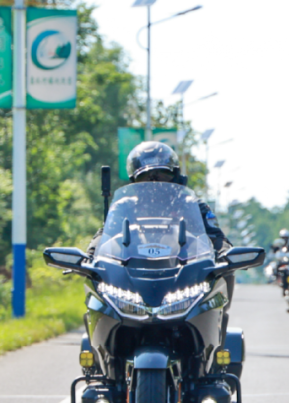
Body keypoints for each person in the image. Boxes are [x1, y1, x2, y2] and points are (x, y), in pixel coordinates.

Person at [85, 140, 236, 337]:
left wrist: (226, 253)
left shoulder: (192, 204)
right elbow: (104, 236)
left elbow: (216, 236)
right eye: (147, 176)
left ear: (174, 176)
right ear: (135, 180)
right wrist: (89, 256)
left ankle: (215, 333)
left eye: (162, 174)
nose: (155, 181)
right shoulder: (124, 205)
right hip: (133, 277)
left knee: (226, 269)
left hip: (182, 277)